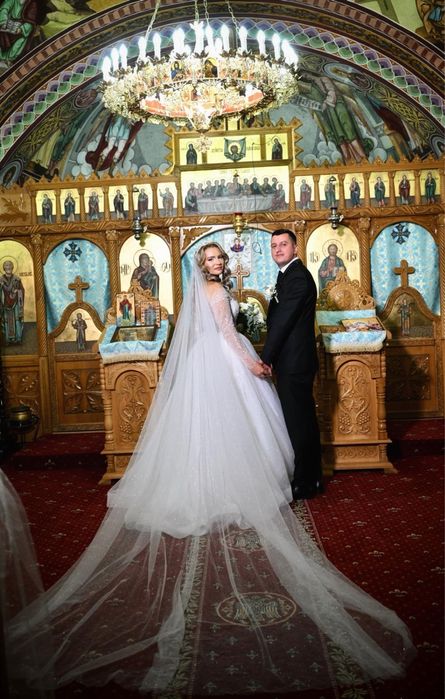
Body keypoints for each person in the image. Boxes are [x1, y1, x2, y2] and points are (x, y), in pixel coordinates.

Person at [7, 239, 414, 696]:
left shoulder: (203, 290)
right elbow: (226, 334)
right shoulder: (216, 292)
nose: (218, 263)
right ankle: (231, 484)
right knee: (236, 422)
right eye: (212, 259)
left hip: (208, 360)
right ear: (203, 264)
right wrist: (254, 363)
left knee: (214, 425)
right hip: (225, 360)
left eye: (221, 258)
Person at [261, 229, 322, 501]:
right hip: (293, 359)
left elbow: (283, 322)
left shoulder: (297, 277)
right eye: (274, 245)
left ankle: (304, 482)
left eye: (283, 244)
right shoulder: (287, 274)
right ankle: (313, 477)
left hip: (295, 361)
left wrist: (265, 358)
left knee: (299, 423)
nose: (278, 249)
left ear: (295, 248)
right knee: (303, 420)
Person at [0, 259, 25, 344]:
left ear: (12, 267)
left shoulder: (17, 279)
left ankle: (18, 338)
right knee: (6, 320)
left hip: (15, 303)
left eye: (10, 266)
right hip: (5, 303)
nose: (8, 267)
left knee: (17, 319)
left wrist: (17, 292)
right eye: (6, 266)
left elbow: (22, 290)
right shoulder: (1, 280)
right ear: (4, 268)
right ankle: (7, 339)